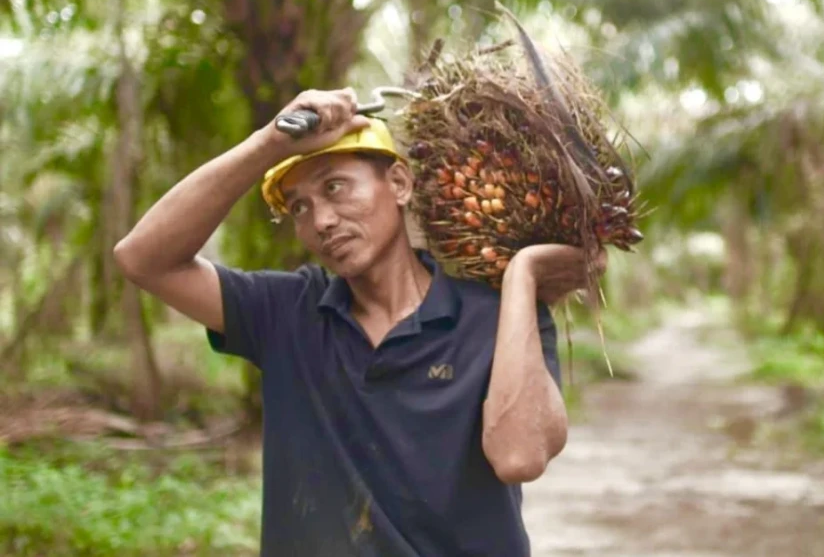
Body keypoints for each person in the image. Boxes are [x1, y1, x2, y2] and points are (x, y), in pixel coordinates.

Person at [114, 87, 606, 556]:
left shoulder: (498, 318)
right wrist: (270, 142)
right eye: (300, 207)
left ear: (399, 183)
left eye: (335, 188)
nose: (321, 221)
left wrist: (523, 273)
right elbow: (143, 259)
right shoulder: (289, 313)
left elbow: (519, 456)